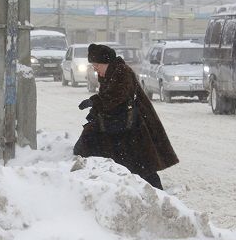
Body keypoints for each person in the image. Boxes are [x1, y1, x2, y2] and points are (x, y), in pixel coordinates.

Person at [74, 43, 178, 190]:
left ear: (106, 62)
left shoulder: (122, 72)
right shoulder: (110, 73)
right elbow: (107, 98)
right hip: (121, 126)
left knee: (142, 165)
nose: (95, 69)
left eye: (96, 65)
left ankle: (158, 196)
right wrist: (94, 111)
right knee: (134, 163)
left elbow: (116, 96)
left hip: (134, 126)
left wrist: (94, 102)